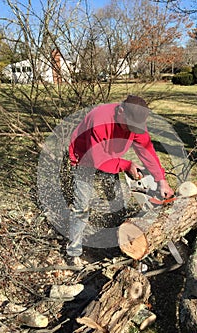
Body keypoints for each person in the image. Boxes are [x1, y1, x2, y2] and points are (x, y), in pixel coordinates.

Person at [67, 95, 174, 265]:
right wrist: (125, 165)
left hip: (110, 158)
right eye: (129, 126)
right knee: (82, 206)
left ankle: (117, 241)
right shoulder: (100, 120)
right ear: (121, 111)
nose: (132, 131)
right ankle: (73, 252)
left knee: (117, 200)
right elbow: (97, 159)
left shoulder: (136, 120)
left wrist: (161, 180)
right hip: (84, 158)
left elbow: (146, 150)